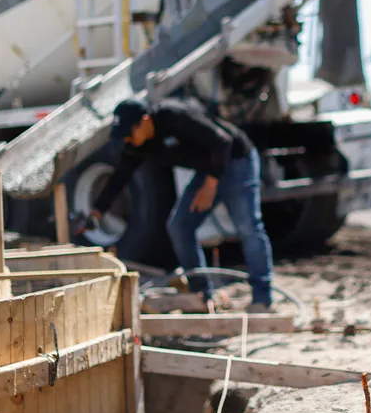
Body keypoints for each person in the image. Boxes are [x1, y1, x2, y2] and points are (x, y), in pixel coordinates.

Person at [91, 97, 275, 313]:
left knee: (248, 227)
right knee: (179, 226)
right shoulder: (140, 145)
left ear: (145, 120)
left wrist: (211, 184)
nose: (128, 141)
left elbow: (222, 141)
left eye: (129, 134)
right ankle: (201, 295)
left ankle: (263, 298)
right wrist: (98, 209)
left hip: (236, 161)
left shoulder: (174, 115)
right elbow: (120, 174)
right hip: (210, 170)